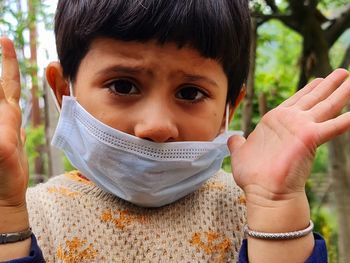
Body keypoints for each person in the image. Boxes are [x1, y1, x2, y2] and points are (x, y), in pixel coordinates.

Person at [0, 0, 349, 262]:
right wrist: (5, 211)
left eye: (190, 93)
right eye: (123, 85)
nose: (157, 125)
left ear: (230, 107)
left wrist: (276, 205)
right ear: (64, 90)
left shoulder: (252, 209)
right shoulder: (30, 214)